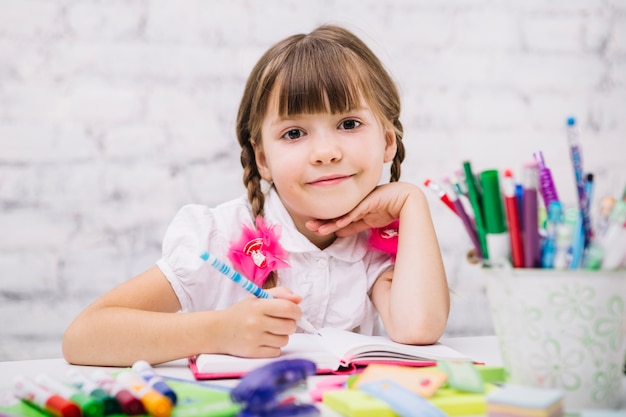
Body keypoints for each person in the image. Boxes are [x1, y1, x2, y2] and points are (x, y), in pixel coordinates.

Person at [62, 24, 449, 366]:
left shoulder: (377, 246)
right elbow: (84, 337)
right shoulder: (218, 236)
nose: (325, 152)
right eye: (294, 133)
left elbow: (417, 328)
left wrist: (412, 202)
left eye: (348, 123)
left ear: (387, 142)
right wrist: (218, 331)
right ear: (263, 159)